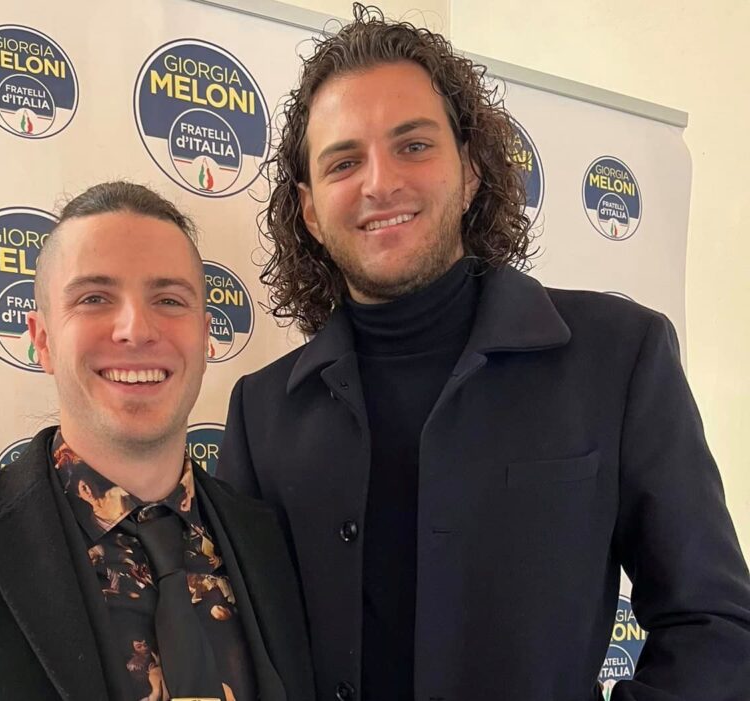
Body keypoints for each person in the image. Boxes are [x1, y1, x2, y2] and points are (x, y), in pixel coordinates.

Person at [216, 6, 750, 701]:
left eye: (413, 145)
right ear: (311, 210)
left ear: (469, 171)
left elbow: (715, 628)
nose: (380, 182)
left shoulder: (619, 356)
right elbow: (237, 654)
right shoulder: (260, 412)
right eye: (344, 162)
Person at [0, 182, 313, 701]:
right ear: (42, 340)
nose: (136, 329)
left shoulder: (271, 541)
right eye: (95, 298)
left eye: (169, 300)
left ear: (205, 335)